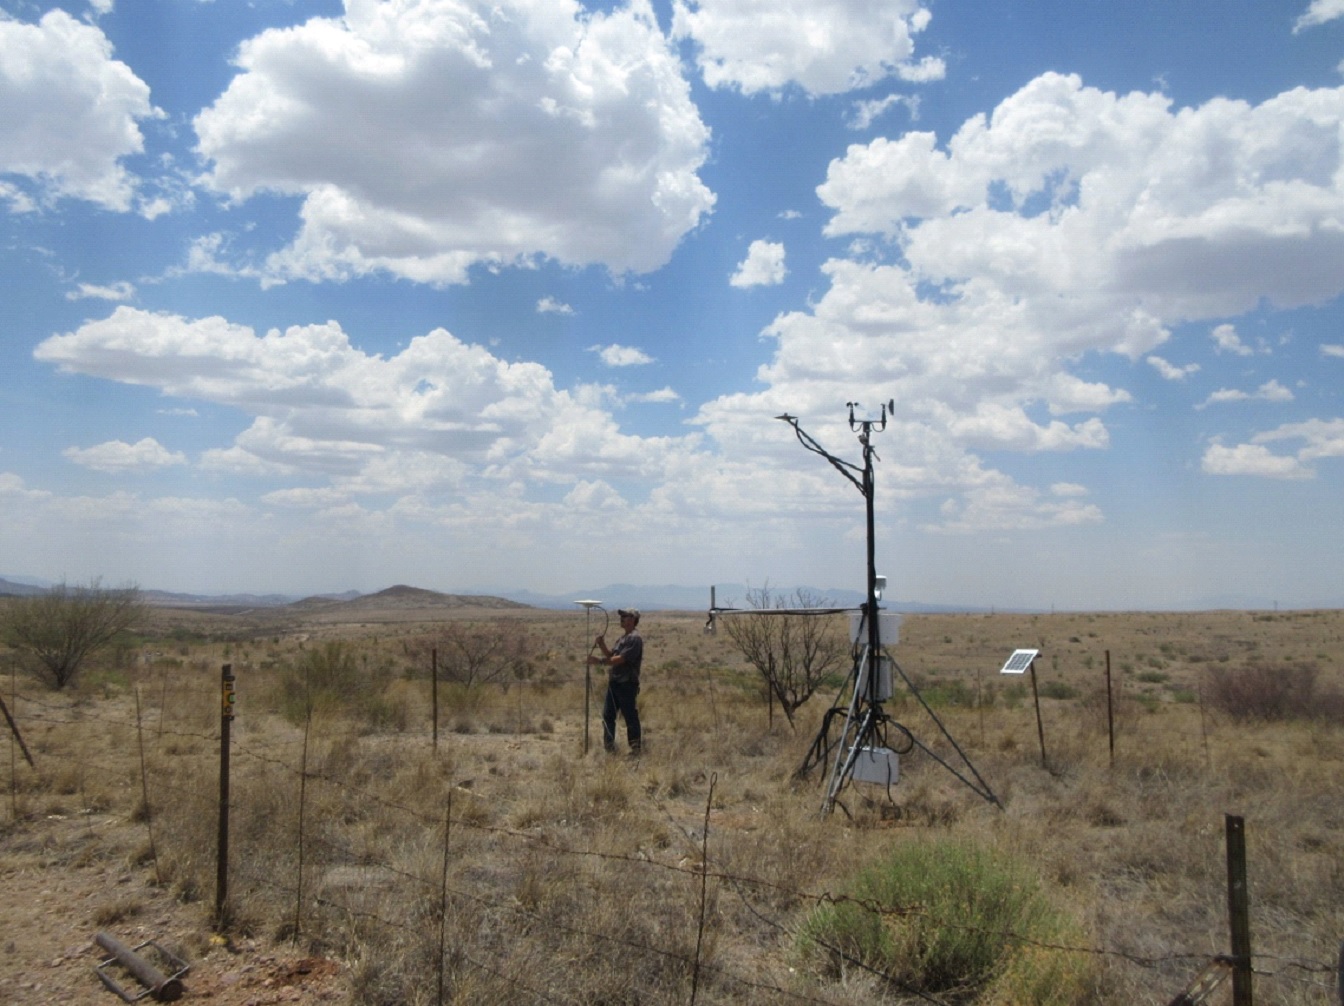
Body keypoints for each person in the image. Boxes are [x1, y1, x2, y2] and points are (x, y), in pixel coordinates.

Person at [589, 608, 642, 754]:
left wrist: (598, 661)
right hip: (615, 683)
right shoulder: (622, 639)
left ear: (632, 620)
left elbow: (619, 660)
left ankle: (635, 749)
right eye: (622, 616)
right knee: (608, 716)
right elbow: (612, 655)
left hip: (627, 684)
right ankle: (609, 748)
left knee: (630, 717)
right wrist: (602, 645)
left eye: (625, 616)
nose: (622, 618)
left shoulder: (634, 639)